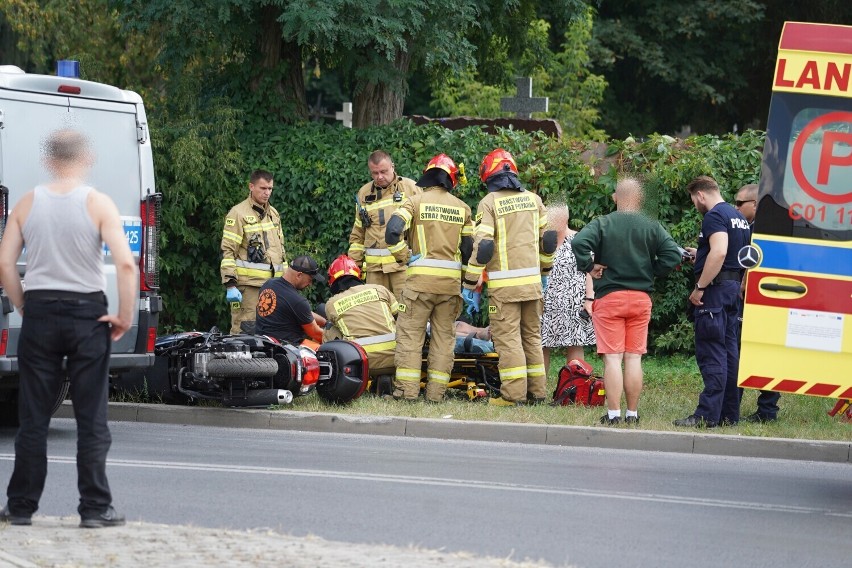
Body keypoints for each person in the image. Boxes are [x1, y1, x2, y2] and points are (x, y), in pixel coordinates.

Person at [0, 129, 135, 528]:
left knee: (33, 417)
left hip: (40, 312)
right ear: (86, 158)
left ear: (48, 159)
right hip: (87, 315)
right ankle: (94, 509)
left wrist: (24, 304)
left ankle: (21, 507)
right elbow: (127, 265)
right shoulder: (98, 204)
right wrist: (125, 316)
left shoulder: (27, 204)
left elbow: (6, 265)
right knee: (91, 416)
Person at [572, 177, 681, 425]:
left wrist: (589, 266)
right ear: (640, 199)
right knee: (634, 357)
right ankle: (632, 414)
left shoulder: (603, 223)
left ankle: (613, 414)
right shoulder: (651, 225)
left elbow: (579, 242)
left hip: (610, 298)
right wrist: (653, 269)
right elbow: (673, 254)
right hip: (641, 299)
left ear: (615, 197)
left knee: (613, 358)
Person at [463, 149, 556, 406]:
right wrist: (545, 274)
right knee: (531, 338)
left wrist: (470, 284)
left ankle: (513, 396)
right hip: (533, 287)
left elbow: (483, 247)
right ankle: (537, 393)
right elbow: (547, 243)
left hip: (504, 290)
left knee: (508, 339)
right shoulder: (534, 200)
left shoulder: (489, 203)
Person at [385, 154, 474, 402]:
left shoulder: (414, 202)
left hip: (418, 286)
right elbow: (469, 249)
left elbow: (392, 231)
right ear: (451, 179)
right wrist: (466, 282)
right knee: (444, 339)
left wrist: (403, 256)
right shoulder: (463, 208)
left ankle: (406, 392)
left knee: (411, 336)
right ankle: (436, 394)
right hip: (450, 288)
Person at [674, 175, 750, 428]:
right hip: (731, 289)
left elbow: (719, 252)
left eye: (694, 200)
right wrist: (700, 253)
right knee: (729, 353)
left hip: (715, 293)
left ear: (701, 195)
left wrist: (699, 287)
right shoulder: (738, 217)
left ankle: (706, 416)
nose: (695, 204)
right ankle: (729, 414)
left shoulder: (714, 215)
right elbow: (729, 254)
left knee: (713, 353)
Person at [734, 183, 781, 422]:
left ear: (755, 204)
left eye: (740, 203)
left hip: (757, 301)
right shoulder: (766, 227)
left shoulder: (760, 231)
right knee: (763, 354)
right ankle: (767, 410)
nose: (736, 207)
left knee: (740, 351)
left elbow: (754, 263)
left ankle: (753, 409)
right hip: (768, 301)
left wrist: (743, 281)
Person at [221, 169, 286, 334]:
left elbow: (281, 250)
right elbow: (228, 251)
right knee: (245, 330)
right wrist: (230, 284)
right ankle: (237, 361)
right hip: (249, 287)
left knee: (271, 331)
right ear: (251, 186)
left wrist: (286, 282)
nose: (267, 193)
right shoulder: (238, 213)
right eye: (262, 188)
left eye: (270, 189)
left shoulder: (273, 214)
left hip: (274, 286)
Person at [348, 150, 420, 296]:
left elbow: (423, 228)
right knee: (377, 314)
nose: (379, 177)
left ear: (392, 167)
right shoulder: (364, 194)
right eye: (375, 173)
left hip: (403, 267)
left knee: (406, 313)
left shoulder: (411, 188)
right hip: (375, 271)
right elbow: (358, 235)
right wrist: (354, 268)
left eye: (383, 171)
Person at [540, 203, 596, 377]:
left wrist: (589, 299)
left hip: (574, 302)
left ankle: (575, 388)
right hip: (544, 301)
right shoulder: (540, 240)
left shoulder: (580, 240)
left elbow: (590, 271)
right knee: (540, 345)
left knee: (575, 343)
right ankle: (537, 389)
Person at [322, 255, 398, 379]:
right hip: (395, 358)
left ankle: (334, 375)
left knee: (329, 327)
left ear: (332, 281)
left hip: (359, 363)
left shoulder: (332, 303)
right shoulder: (380, 289)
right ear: (358, 275)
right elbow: (400, 317)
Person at [255, 255, 326, 345]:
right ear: (299, 275)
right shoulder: (297, 301)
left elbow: (303, 313)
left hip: (262, 343)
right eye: (310, 279)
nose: (310, 284)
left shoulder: (268, 284)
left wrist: (325, 322)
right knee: (324, 350)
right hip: (287, 349)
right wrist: (337, 338)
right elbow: (316, 333)